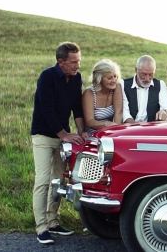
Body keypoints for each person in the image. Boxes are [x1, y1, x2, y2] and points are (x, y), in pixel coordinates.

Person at [30, 42, 88, 245]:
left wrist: (81, 133)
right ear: (60, 62)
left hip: (62, 137)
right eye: (73, 62)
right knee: (44, 180)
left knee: (59, 181)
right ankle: (41, 228)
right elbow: (46, 109)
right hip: (43, 137)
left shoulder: (76, 78)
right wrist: (64, 134)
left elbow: (77, 108)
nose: (77, 66)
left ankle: (53, 222)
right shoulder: (47, 77)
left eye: (79, 61)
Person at [122, 55, 167, 123]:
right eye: (144, 74)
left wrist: (165, 112)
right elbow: (124, 111)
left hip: (151, 129)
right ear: (136, 70)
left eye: (151, 74)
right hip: (129, 128)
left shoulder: (160, 85)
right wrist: (134, 125)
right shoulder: (123, 84)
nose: (147, 78)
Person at [82, 59, 124, 134]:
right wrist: (106, 124)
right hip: (91, 135)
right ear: (99, 79)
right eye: (109, 78)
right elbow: (89, 121)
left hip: (109, 133)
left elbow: (119, 113)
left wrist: (116, 131)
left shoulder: (116, 87)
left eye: (115, 76)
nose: (114, 80)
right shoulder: (89, 93)